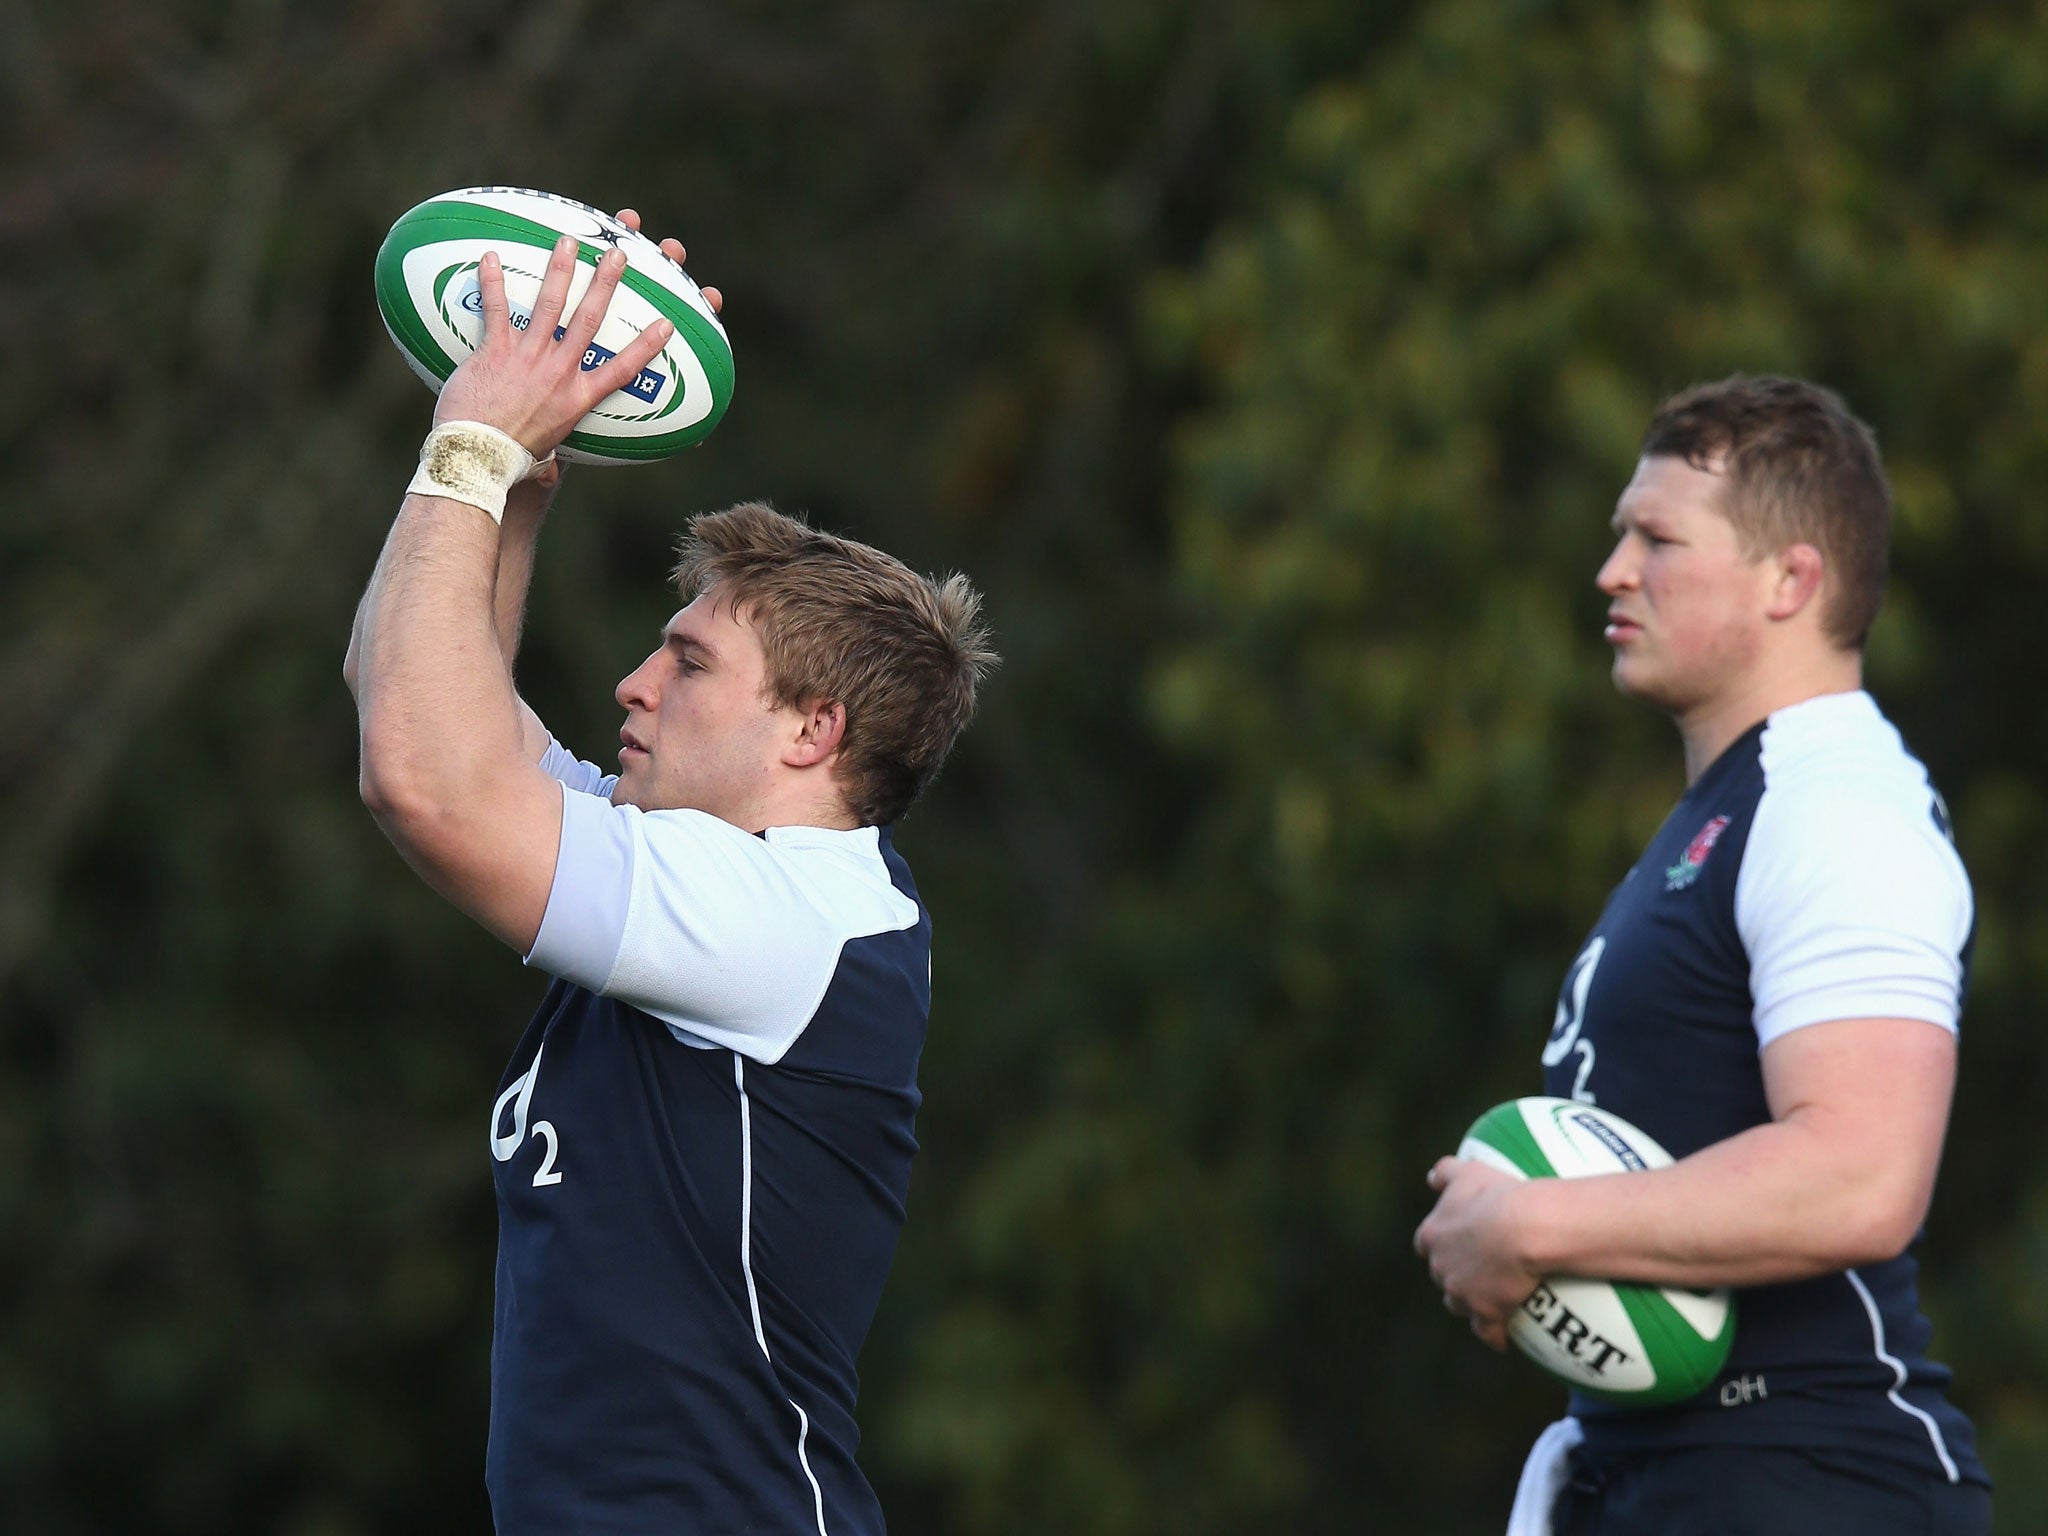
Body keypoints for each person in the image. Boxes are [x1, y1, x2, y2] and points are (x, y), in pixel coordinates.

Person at [344, 212, 997, 1534]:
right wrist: (520, 477)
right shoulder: (706, 879)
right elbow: (404, 690)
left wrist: (468, 445)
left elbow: (422, 778)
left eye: (689, 663)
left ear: (815, 732)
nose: (634, 684)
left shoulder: (789, 917)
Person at [1413, 376, 1990, 1535]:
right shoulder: (1728, 814)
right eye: (1621, 532)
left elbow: (1861, 1176)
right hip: (1677, 1482)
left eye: (1657, 537)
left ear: (1792, 580)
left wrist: (1528, 1229)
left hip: (1810, 1479)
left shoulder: (1834, 807)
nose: (1612, 570)